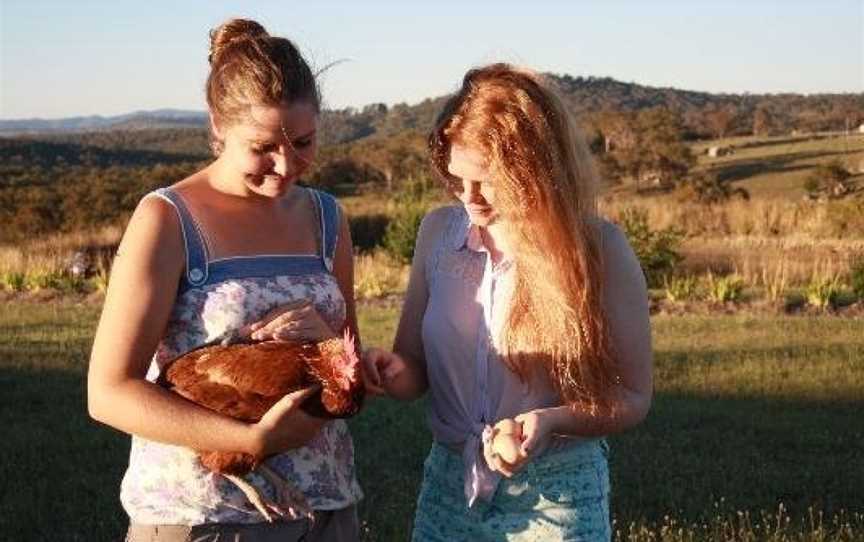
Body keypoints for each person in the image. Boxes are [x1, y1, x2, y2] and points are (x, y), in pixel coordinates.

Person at [87, 18, 362, 541]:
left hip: (324, 505)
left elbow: (349, 364)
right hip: (207, 515)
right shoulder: (168, 219)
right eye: (263, 147)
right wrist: (250, 439)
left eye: (303, 142)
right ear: (218, 126)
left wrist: (327, 337)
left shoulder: (327, 218)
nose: (285, 165)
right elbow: (108, 393)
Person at [363, 64, 653, 541]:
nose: (469, 198)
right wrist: (388, 370)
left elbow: (633, 397)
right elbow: (413, 369)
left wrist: (551, 420)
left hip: (557, 496)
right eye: (457, 178)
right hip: (448, 484)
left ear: (537, 168)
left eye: (489, 181)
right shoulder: (437, 232)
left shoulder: (598, 249)